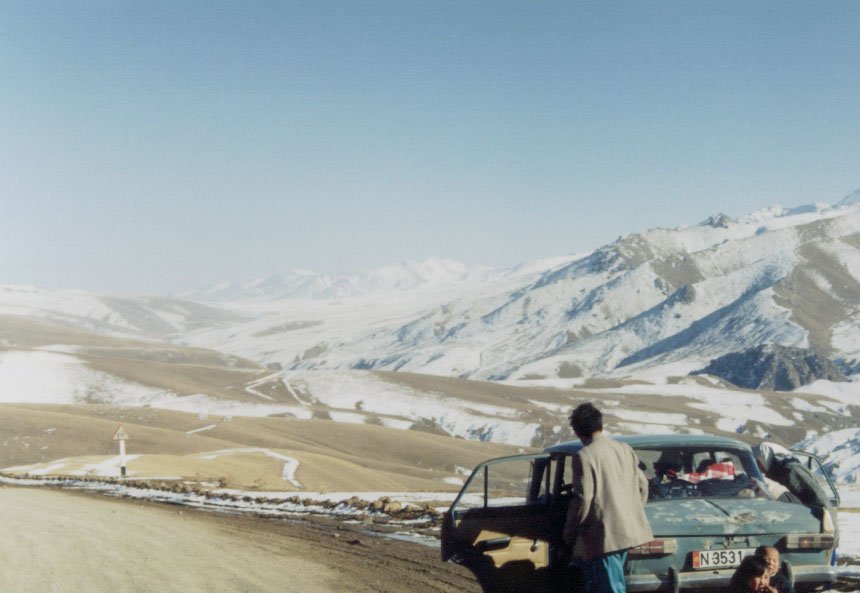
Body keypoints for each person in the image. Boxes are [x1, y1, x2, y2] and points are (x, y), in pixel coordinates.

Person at [563, 403, 653, 593]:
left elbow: (583, 499)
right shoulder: (624, 448)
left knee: (611, 588)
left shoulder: (584, 456)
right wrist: (633, 512)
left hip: (604, 534)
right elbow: (642, 484)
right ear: (600, 425)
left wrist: (570, 530)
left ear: (578, 431)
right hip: (627, 529)